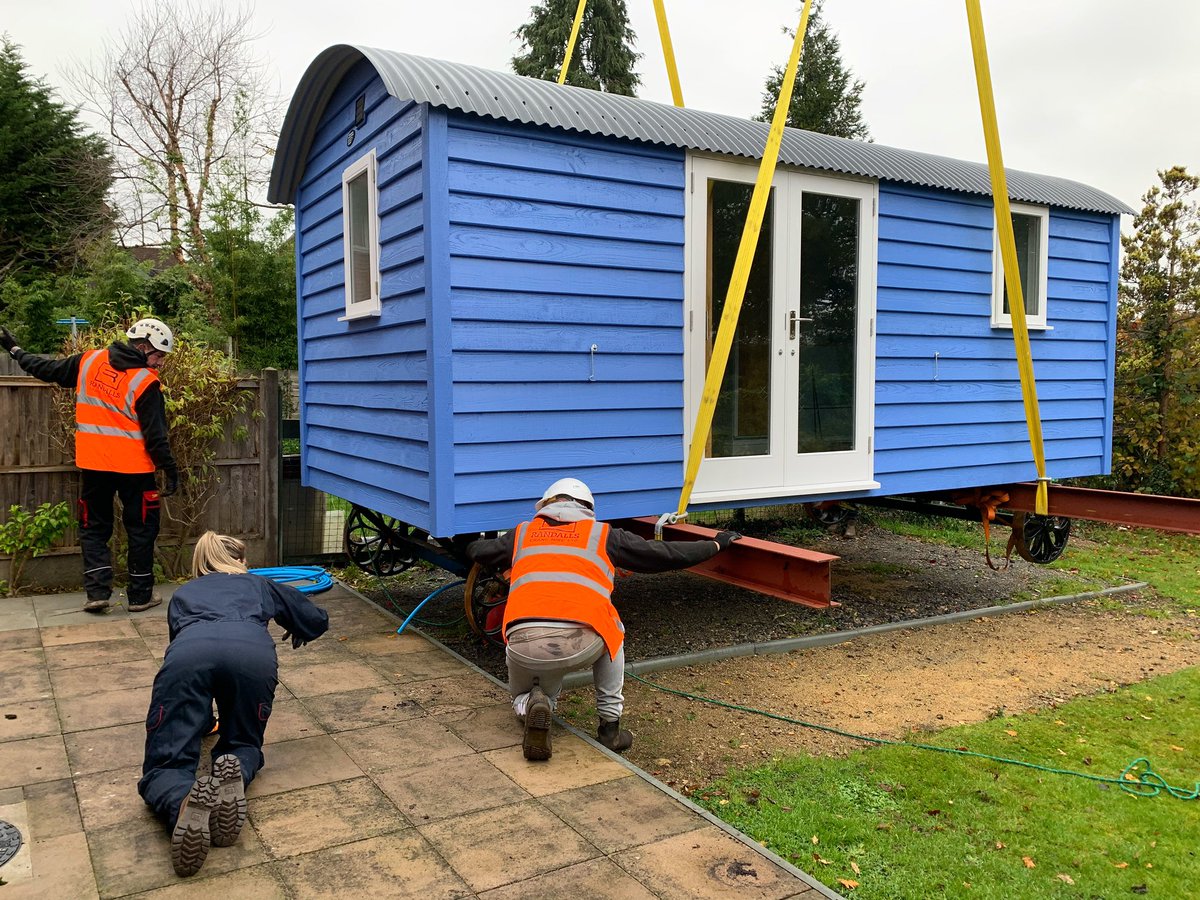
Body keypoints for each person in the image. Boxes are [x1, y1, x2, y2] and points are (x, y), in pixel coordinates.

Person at [467, 477, 740, 761]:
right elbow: (663, 554)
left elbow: (479, 552)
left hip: (525, 644)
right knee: (613, 627)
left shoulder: (522, 534)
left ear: (546, 505)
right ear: (588, 508)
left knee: (526, 696)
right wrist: (715, 546)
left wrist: (469, 543)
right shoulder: (603, 535)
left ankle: (534, 703)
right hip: (582, 643)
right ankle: (610, 728)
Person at [138, 531, 330, 878]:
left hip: (189, 654)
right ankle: (233, 770)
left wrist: (197, 719)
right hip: (250, 655)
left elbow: (181, 650)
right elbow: (315, 619)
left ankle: (181, 801)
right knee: (243, 741)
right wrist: (301, 627)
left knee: (166, 761)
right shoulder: (259, 585)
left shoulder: (183, 593)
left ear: (200, 564)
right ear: (240, 561)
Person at [0, 319, 180, 613]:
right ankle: (139, 597)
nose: (159, 363)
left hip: (94, 467)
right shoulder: (146, 382)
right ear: (144, 347)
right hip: (135, 471)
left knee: (94, 528)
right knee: (142, 529)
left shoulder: (89, 361)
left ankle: (97, 593)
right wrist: (170, 471)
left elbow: (47, 371)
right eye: (159, 355)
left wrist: (16, 350)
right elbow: (156, 435)